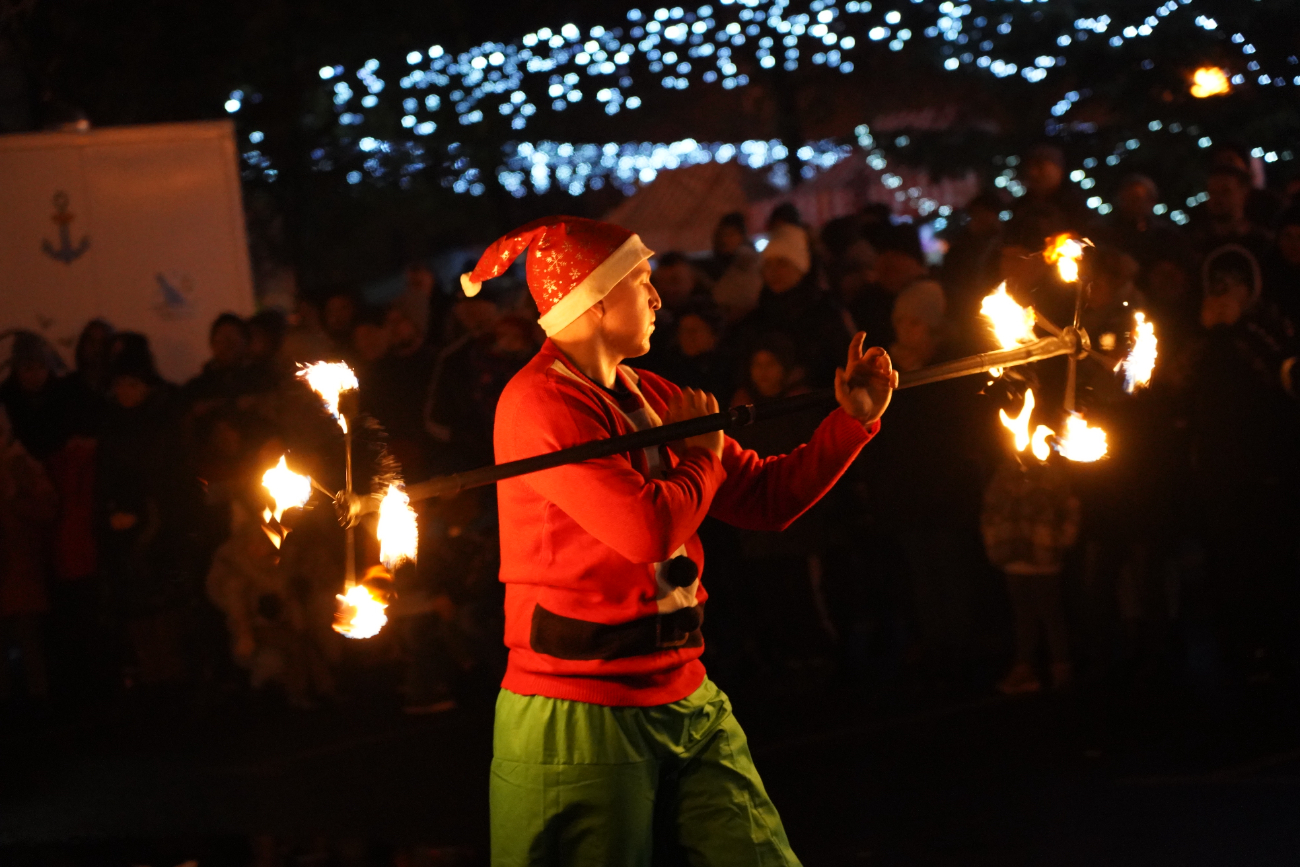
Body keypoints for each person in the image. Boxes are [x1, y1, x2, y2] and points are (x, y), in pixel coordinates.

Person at [459, 215, 896, 866]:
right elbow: (649, 529)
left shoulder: (654, 392)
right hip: (577, 709)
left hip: (684, 690)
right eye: (641, 282)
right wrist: (699, 453)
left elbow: (765, 498)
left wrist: (850, 423)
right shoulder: (538, 404)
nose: (659, 297)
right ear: (595, 300)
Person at [981, 450, 1081, 694]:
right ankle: (1025, 669)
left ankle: (1061, 670)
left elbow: (1070, 510)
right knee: (1024, 616)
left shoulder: (1054, 476)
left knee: (1051, 615)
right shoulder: (1005, 473)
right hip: (1014, 557)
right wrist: (995, 541)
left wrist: (1059, 540)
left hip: (1044, 557)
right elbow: (990, 510)